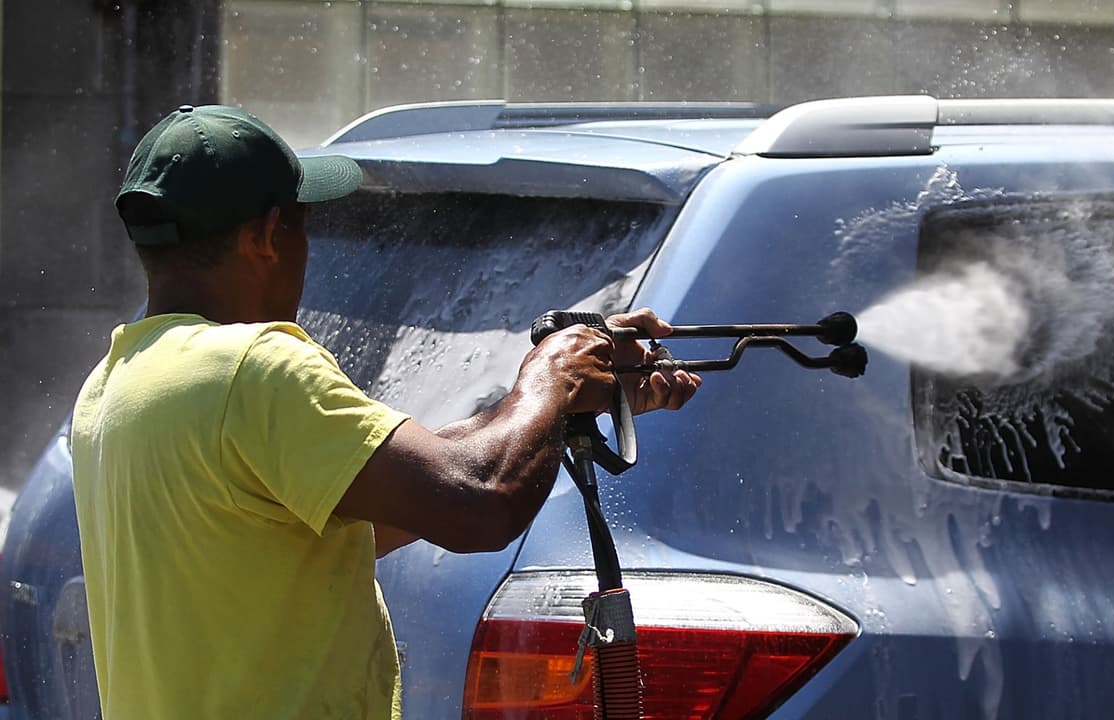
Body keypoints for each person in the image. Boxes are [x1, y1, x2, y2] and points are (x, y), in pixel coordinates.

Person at [69, 104, 700, 719]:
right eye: (300, 226)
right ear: (265, 235)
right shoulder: (254, 366)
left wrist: (556, 407)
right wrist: (552, 375)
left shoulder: (115, 385)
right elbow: (478, 502)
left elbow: (383, 504)